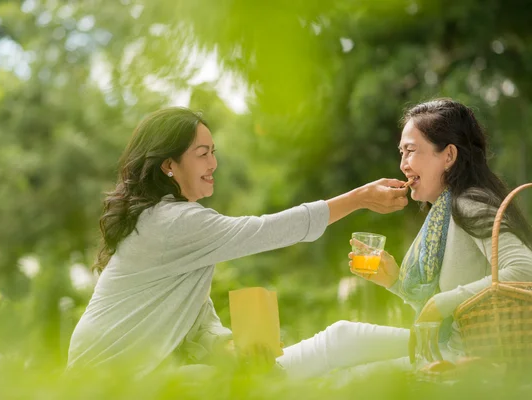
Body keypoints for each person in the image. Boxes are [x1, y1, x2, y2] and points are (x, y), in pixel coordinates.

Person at [66, 107, 409, 376]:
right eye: (202, 153)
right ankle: (439, 347)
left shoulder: (169, 222)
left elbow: (197, 318)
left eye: (213, 151)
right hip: (107, 381)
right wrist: (359, 198)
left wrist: (227, 345)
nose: (214, 163)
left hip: (135, 376)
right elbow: (268, 230)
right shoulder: (173, 222)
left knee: (340, 341)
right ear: (169, 165)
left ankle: (435, 349)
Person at [336, 98, 532, 378]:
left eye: (411, 151)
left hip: (465, 361)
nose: (403, 164)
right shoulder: (442, 213)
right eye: (401, 152)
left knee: (347, 373)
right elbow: (435, 312)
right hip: (446, 349)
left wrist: (443, 302)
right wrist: (394, 282)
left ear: (449, 156)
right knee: (342, 340)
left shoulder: (469, 203)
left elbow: (525, 270)